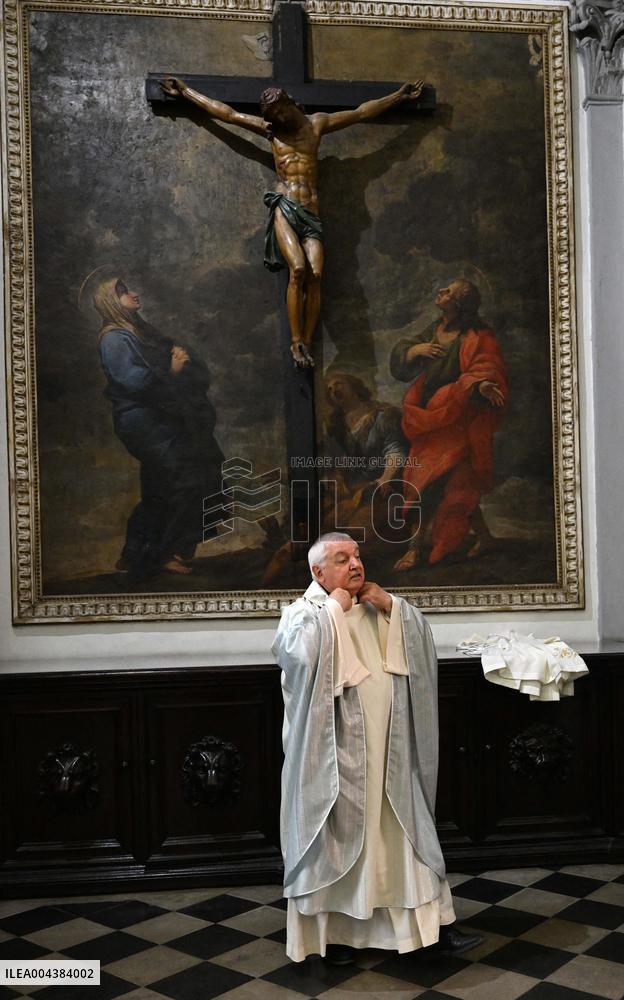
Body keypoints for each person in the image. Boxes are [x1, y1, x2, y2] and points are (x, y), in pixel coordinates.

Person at [272, 531, 483, 964]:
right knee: (340, 844)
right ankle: (336, 940)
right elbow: (299, 659)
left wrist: (393, 608)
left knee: (403, 839)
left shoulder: (378, 605)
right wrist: (334, 609)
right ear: (318, 572)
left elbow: (421, 647)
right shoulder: (303, 614)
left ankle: (432, 933)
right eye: (342, 558)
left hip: (391, 754)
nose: (355, 564)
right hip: (337, 763)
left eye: (357, 556)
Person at [160, 77, 423, 368]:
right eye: (272, 117)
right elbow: (228, 114)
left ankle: (306, 342)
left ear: (289, 104)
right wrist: (185, 92)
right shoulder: (272, 131)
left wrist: (398, 97)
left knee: (317, 275)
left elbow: (361, 112)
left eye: (280, 113)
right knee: (297, 269)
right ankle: (295, 339)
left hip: (311, 212)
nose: (277, 120)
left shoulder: (317, 124)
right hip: (285, 207)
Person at [90, 274, 224, 577]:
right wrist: (172, 369)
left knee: (161, 484)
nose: (134, 294)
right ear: (111, 302)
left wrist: (181, 361)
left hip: (158, 418)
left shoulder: (136, 331)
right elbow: (134, 382)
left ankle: (136, 555)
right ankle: (167, 552)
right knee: (184, 477)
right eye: (124, 292)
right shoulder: (114, 337)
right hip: (141, 421)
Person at [390, 279, 507, 570]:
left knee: (430, 482)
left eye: (448, 292)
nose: (440, 292)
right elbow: (403, 359)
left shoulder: (478, 335)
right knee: (450, 483)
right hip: (429, 416)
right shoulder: (434, 330)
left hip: (458, 418)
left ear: (458, 304)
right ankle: (485, 537)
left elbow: (487, 366)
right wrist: (415, 351)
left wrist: (478, 386)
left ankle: (414, 549)